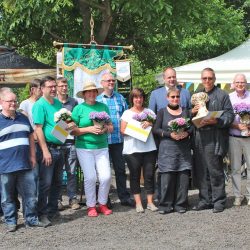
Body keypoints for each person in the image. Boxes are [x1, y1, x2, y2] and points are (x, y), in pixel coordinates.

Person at [0, 88, 46, 232]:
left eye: (15, 101)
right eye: (10, 101)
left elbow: (31, 138)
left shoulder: (23, 117)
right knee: (7, 197)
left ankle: (31, 220)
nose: (13, 103)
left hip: (25, 163)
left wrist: (32, 156)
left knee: (30, 195)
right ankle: (11, 222)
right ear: (1, 102)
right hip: (5, 166)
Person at [192, 68, 234, 213]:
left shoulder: (222, 95)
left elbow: (230, 116)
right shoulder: (196, 96)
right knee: (202, 171)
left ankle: (219, 201)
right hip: (199, 138)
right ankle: (205, 200)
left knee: (215, 171)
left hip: (214, 138)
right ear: (201, 79)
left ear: (214, 79)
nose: (207, 81)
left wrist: (215, 121)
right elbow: (188, 116)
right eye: (204, 78)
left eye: (210, 78)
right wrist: (192, 113)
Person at [32, 76, 73, 226]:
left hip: (59, 148)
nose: (54, 89)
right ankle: (41, 214)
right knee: (45, 184)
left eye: (54, 86)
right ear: (42, 89)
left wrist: (69, 126)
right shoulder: (39, 105)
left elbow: (61, 125)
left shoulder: (57, 103)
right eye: (50, 86)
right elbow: (38, 129)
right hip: (47, 149)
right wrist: (45, 151)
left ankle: (53, 211)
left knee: (57, 183)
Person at [72, 82, 113, 217]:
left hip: (102, 147)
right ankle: (91, 205)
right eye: (88, 92)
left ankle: (102, 203)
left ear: (97, 93)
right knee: (90, 177)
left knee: (106, 177)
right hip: (84, 147)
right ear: (84, 95)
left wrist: (104, 129)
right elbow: (72, 131)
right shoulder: (78, 109)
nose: (91, 94)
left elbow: (111, 127)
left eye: (94, 91)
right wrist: (88, 129)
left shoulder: (103, 107)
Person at [153, 88, 192, 214]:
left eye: (177, 97)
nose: (175, 99)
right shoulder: (162, 112)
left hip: (183, 150)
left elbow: (192, 128)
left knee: (183, 178)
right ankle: (165, 205)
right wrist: (170, 134)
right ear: (167, 98)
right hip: (167, 150)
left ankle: (181, 204)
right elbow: (156, 129)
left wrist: (186, 133)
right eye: (173, 97)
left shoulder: (186, 111)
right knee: (167, 178)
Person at [97, 72, 134, 207]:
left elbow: (127, 116)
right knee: (104, 172)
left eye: (113, 81)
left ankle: (124, 197)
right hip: (103, 141)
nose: (111, 83)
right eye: (108, 81)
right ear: (102, 83)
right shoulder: (97, 100)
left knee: (120, 170)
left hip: (118, 140)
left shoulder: (120, 98)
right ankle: (104, 199)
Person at [120, 88, 158, 213]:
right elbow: (123, 131)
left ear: (143, 99)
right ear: (132, 99)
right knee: (135, 176)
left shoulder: (149, 112)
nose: (138, 99)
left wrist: (150, 124)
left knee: (149, 176)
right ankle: (138, 203)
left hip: (149, 148)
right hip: (133, 149)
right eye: (136, 97)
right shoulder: (127, 113)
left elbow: (156, 128)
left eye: (140, 97)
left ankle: (150, 202)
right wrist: (135, 129)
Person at [56, 77, 80, 210]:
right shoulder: (53, 103)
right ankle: (58, 199)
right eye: (61, 86)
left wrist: (70, 124)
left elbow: (76, 121)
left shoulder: (73, 102)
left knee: (71, 172)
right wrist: (62, 126)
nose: (64, 88)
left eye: (66, 85)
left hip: (71, 141)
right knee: (58, 173)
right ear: (57, 88)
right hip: (57, 141)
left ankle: (73, 198)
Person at [228, 74, 250, 206]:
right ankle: (237, 195)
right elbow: (225, 118)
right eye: (237, 82)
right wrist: (236, 125)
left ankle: (249, 195)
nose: (240, 84)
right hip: (234, 137)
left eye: (242, 82)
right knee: (235, 168)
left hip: (249, 137)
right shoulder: (229, 97)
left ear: (246, 83)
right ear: (233, 83)